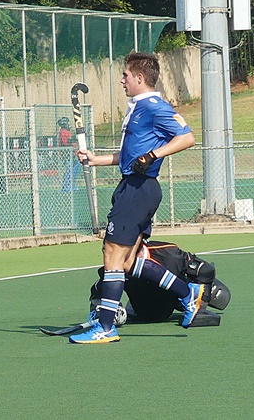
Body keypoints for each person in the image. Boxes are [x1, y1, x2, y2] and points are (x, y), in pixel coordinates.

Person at [69, 51, 201, 344]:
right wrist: (95, 159)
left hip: (140, 189)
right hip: (134, 186)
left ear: (140, 78)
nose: (122, 80)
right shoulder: (137, 108)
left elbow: (187, 137)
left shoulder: (154, 107)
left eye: (126, 75)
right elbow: (130, 156)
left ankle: (105, 327)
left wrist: (154, 154)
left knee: (112, 255)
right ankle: (188, 293)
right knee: (129, 262)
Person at [88, 240, 230, 326]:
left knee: (220, 295)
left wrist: (200, 307)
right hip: (145, 311)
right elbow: (98, 293)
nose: (111, 258)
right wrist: (103, 312)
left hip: (176, 297)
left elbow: (206, 270)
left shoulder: (170, 254)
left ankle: (190, 298)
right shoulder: (113, 267)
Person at [57, 117, 80, 191]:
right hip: (67, 153)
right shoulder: (63, 131)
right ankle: (67, 186)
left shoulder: (68, 131)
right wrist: (73, 139)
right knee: (69, 169)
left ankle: (72, 184)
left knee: (75, 168)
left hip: (73, 153)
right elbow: (65, 142)